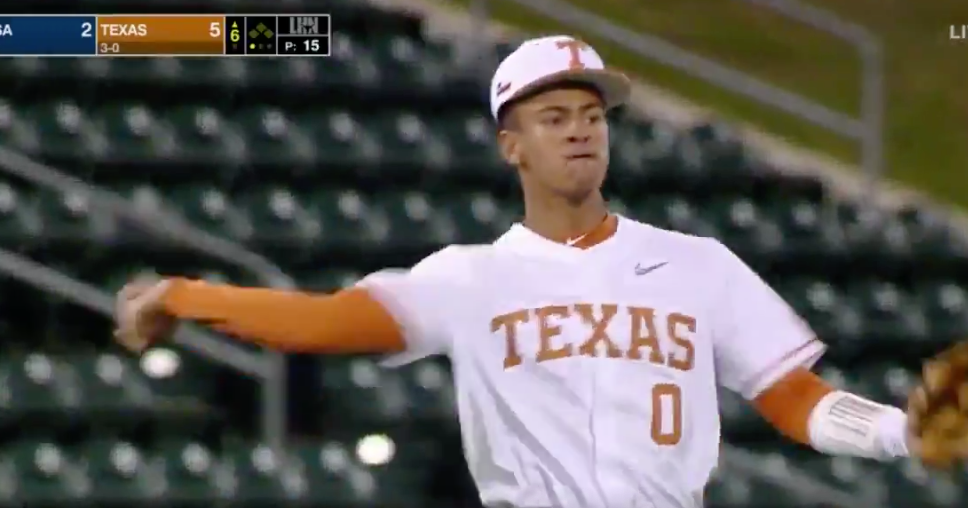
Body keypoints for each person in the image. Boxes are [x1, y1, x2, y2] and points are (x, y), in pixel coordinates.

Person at [114, 35, 961, 508]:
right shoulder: (468, 279)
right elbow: (318, 322)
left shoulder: (701, 267)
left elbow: (795, 400)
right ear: (510, 145)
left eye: (592, 115)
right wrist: (185, 295)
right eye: (554, 116)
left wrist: (898, 435)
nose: (582, 130)